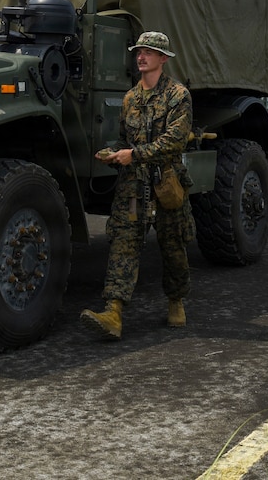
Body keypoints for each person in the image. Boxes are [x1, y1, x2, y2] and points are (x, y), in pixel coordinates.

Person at [81, 31, 196, 340]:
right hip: (133, 187)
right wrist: (113, 154)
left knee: (173, 245)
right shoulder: (130, 98)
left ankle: (176, 300)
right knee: (124, 243)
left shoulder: (178, 95)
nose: (141, 57)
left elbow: (174, 141)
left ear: (163, 58)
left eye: (148, 52)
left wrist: (134, 155)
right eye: (138, 52)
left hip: (166, 183)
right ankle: (113, 312)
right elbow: (125, 140)